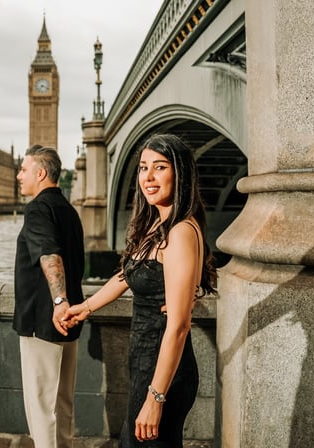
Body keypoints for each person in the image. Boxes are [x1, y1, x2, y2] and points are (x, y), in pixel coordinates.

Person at [61, 134, 216, 447]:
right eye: (144, 168)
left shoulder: (181, 232)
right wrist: (86, 307)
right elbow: (126, 275)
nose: (148, 177)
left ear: (180, 174)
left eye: (159, 167)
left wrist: (156, 398)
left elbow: (179, 325)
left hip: (164, 369)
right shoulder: (156, 226)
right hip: (146, 359)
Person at [13, 144, 85, 448]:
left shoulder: (38, 208)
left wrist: (58, 302)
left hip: (44, 319)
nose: (19, 175)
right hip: (68, 321)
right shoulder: (68, 211)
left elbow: (48, 253)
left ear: (41, 173)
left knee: (42, 408)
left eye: (24, 169)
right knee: (62, 404)